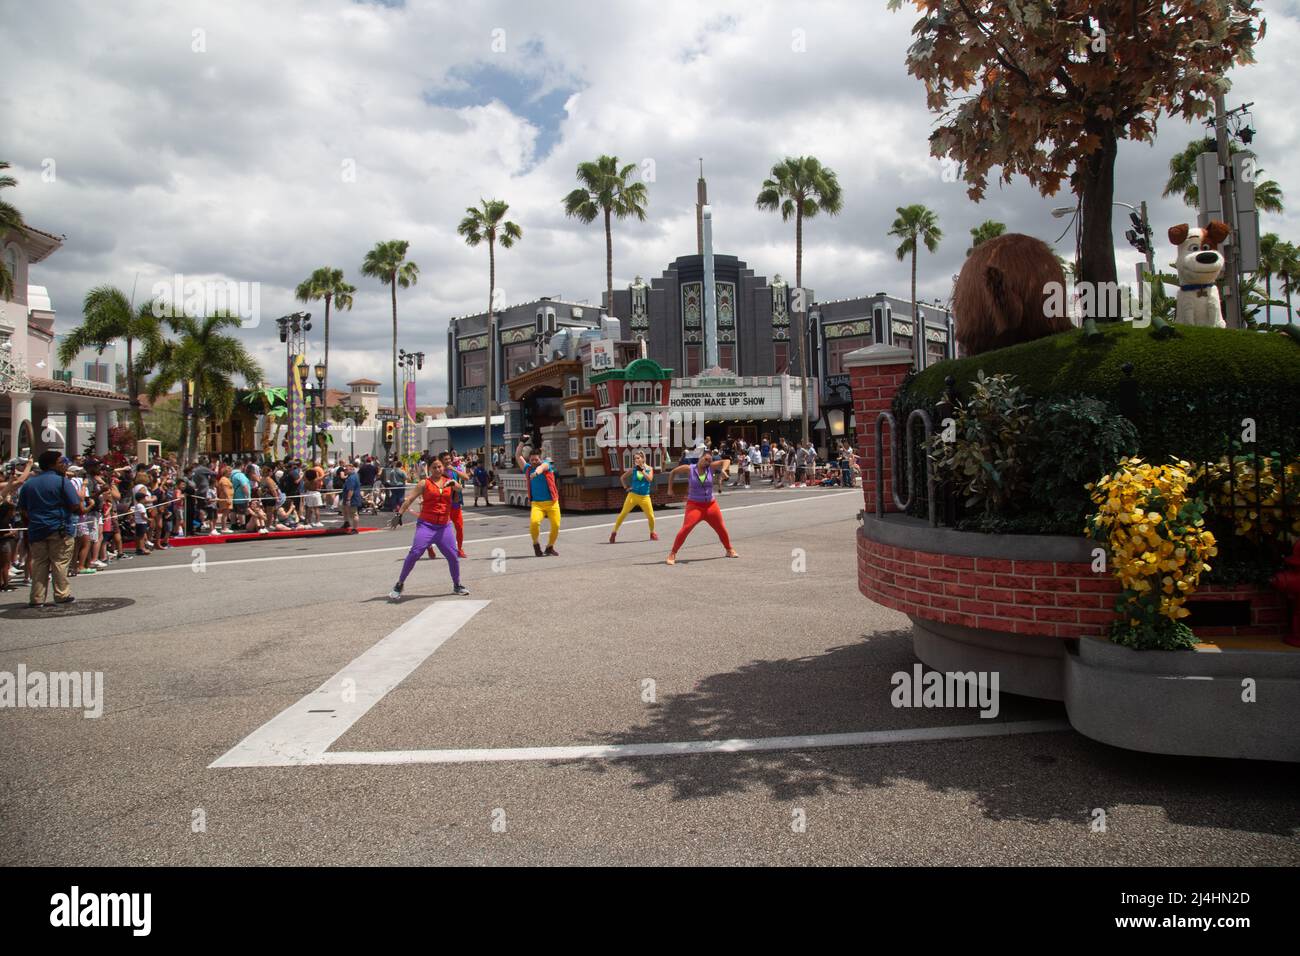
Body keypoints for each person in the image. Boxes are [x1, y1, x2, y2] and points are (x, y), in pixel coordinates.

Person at [388, 456, 470, 601]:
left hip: (444, 527)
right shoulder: (424, 483)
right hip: (426, 525)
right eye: (434, 467)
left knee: (453, 556)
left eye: (439, 466)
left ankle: (457, 585)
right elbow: (410, 499)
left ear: (443, 467)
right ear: (429, 469)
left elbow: (460, 488)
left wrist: (455, 485)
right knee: (415, 553)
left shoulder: (449, 482)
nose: (438, 469)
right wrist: (399, 514)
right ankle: (399, 584)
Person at [17, 451, 85, 607]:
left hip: (37, 529)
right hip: (59, 528)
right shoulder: (62, 482)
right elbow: (75, 505)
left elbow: (23, 509)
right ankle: (62, 594)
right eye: (61, 462)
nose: (64, 464)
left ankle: (37, 598)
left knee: (39, 563)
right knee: (59, 562)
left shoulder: (29, 484)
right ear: (52, 464)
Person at [664, 450, 738, 565]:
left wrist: (723, 469)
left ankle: (729, 550)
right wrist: (670, 488)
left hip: (710, 505)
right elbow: (673, 472)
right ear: (700, 458)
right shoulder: (689, 469)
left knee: (721, 528)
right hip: (695, 505)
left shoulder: (711, 468)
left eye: (710, 460)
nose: (707, 462)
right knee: (686, 529)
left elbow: (726, 461)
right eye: (706, 459)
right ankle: (672, 553)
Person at [517, 439, 560, 557]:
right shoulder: (527, 468)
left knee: (556, 526)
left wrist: (536, 473)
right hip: (537, 504)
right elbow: (518, 455)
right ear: (529, 461)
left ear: (540, 459)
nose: (535, 462)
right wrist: (521, 442)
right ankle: (536, 545)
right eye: (532, 460)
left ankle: (550, 547)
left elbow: (541, 468)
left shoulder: (547, 464)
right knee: (534, 523)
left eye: (536, 459)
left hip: (552, 503)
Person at [610, 451, 658, 543]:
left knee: (651, 516)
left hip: (645, 497)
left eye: (638, 458)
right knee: (623, 514)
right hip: (633, 495)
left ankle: (652, 533)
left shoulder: (649, 468)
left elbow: (650, 479)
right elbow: (622, 477)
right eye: (635, 458)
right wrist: (626, 488)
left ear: (643, 459)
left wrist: (642, 471)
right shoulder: (634, 469)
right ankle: (614, 532)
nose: (636, 460)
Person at [437, 451, 469, 559]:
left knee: (459, 527)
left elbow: (466, 478)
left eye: (449, 459)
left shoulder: (455, 469)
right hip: (444, 505)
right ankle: (430, 547)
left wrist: (453, 469)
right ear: (441, 461)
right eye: (445, 459)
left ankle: (459, 549)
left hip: (456, 504)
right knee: (443, 530)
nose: (448, 461)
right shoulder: (438, 473)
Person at [340, 463, 363, 533]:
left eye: (346, 469)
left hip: (352, 498)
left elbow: (351, 489)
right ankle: (347, 522)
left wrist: (348, 499)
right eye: (344, 470)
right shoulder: (352, 476)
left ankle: (355, 529)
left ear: (351, 469)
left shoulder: (352, 478)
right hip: (348, 497)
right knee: (344, 509)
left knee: (354, 513)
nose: (345, 471)